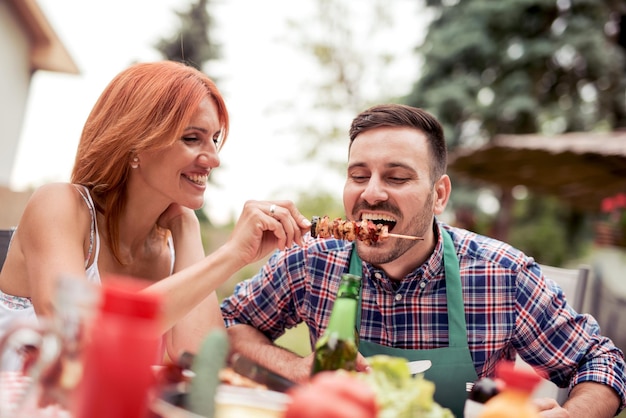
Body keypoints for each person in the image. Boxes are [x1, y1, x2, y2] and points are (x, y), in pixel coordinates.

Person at [221, 103, 626, 418]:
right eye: (359, 175)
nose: (373, 193)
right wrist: (294, 367)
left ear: (440, 195)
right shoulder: (309, 263)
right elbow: (231, 326)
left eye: (397, 177)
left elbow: (601, 362)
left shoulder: (501, 274)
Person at [0, 61, 311, 365]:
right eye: (192, 138)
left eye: (215, 139)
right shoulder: (59, 206)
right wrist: (231, 255)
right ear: (136, 144)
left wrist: (187, 226)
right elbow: (78, 334)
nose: (214, 158)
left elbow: (200, 358)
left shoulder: (172, 244)